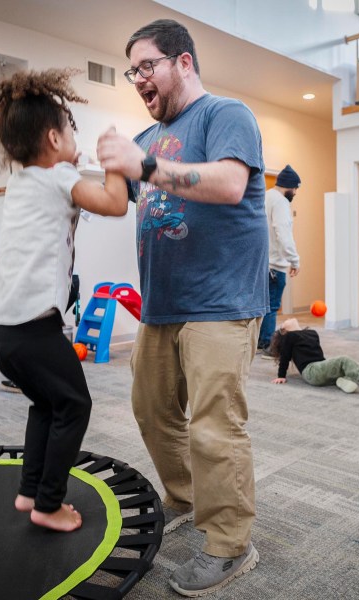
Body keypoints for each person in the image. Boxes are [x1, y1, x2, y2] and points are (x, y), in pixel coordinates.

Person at [96, 19, 267, 596]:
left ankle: (229, 543)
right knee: (151, 411)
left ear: (184, 62)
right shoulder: (147, 140)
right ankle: (190, 497)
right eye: (133, 71)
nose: (139, 80)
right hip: (162, 304)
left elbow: (227, 185)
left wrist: (141, 167)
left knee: (215, 427)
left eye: (148, 66)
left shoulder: (226, 114)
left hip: (221, 299)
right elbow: (118, 203)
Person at [0, 68, 127, 532]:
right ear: (53, 139)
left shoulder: (20, 184)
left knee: (47, 404)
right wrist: (115, 161)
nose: (74, 140)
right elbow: (115, 203)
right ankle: (48, 504)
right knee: (75, 405)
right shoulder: (61, 175)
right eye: (71, 132)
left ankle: (29, 492)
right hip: (32, 329)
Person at [0, 269, 81, 394]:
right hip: (65, 284)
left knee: (32, 338)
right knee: (40, 337)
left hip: (52, 287)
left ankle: (30, 381)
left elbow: (5, 261)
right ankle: (43, 380)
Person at [269, 318, 359, 395]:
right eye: (282, 324)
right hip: (311, 371)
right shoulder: (289, 337)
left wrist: (329, 367)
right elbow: (285, 357)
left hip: (320, 366)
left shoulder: (312, 333)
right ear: (284, 330)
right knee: (344, 360)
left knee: (345, 367)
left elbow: (318, 354)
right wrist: (281, 376)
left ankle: (341, 380)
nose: (285, 320)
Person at [258, 164, 301, 355]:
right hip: (275, 265)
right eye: (296, 188)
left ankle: (260, 341)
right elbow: (283, 232)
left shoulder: (265, 197)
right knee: (272, 305)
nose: (296, 192)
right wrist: (295, 260)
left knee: (262, 305)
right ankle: (268, 344)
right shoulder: (281, 202)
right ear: (289, 186)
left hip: (260, 263)